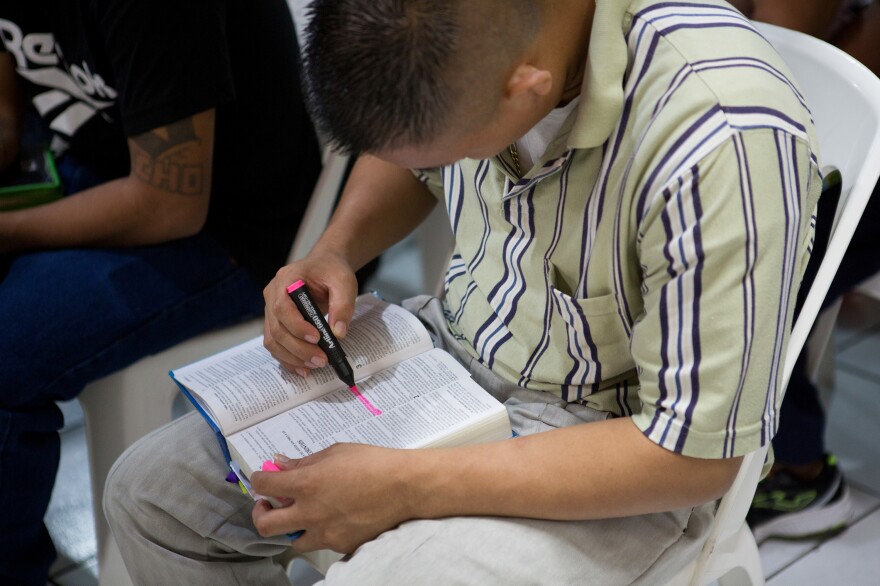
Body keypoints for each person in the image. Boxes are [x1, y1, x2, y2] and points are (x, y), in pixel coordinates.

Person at [104, 0, 821, 583]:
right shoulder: (463, 50)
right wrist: (335, 249)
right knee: (150, 498)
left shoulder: (721, 136)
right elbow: (408, 149)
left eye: (453, 156)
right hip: (448, 350)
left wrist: (410, 484)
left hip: (611, 444)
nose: (441, 172)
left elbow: (694, 455)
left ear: (529, 90)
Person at [0, 1, 322, 584]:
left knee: (6, 352)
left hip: (232, 227)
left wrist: (11, 231)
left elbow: (168, 204)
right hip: (98, 166)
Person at [729, 0, 880, 543]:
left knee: (753, 287)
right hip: (799, 108)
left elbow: (794, 76)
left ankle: (799, 473)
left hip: (841, 135)